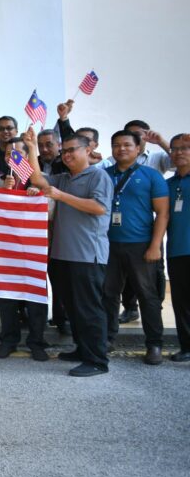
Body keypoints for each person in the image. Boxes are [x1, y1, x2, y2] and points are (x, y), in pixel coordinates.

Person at [23, 128, 112, 377]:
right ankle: (83, 350)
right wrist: (31, 148)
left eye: (73, 150)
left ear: (89, 150)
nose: (68, 155)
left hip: (87, 256)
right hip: (62, 256)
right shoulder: (64, 178)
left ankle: (97, 360)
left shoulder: (98, 177)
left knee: (89, 310)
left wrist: (62, 196)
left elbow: (98, 208)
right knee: (73, 310)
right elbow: (39, 180)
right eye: (65, 151)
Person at [100, 130, 169, 365]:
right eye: (116, 145)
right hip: (108, 245)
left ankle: (154, 344)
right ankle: (108, 339)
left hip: (141, 245)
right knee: (108, 295)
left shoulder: (151, 176)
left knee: (147, 296)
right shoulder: (103, 175)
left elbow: (162, 213)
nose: (122, 149)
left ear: (138, 148)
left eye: (127, 145)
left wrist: (155, 246)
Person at [165, 134, 190, 362]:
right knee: (181, 302)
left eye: (185, 148)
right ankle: (186, 347)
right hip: (177, 250)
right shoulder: (169, 184)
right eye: (175, 149)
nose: (179, 152)